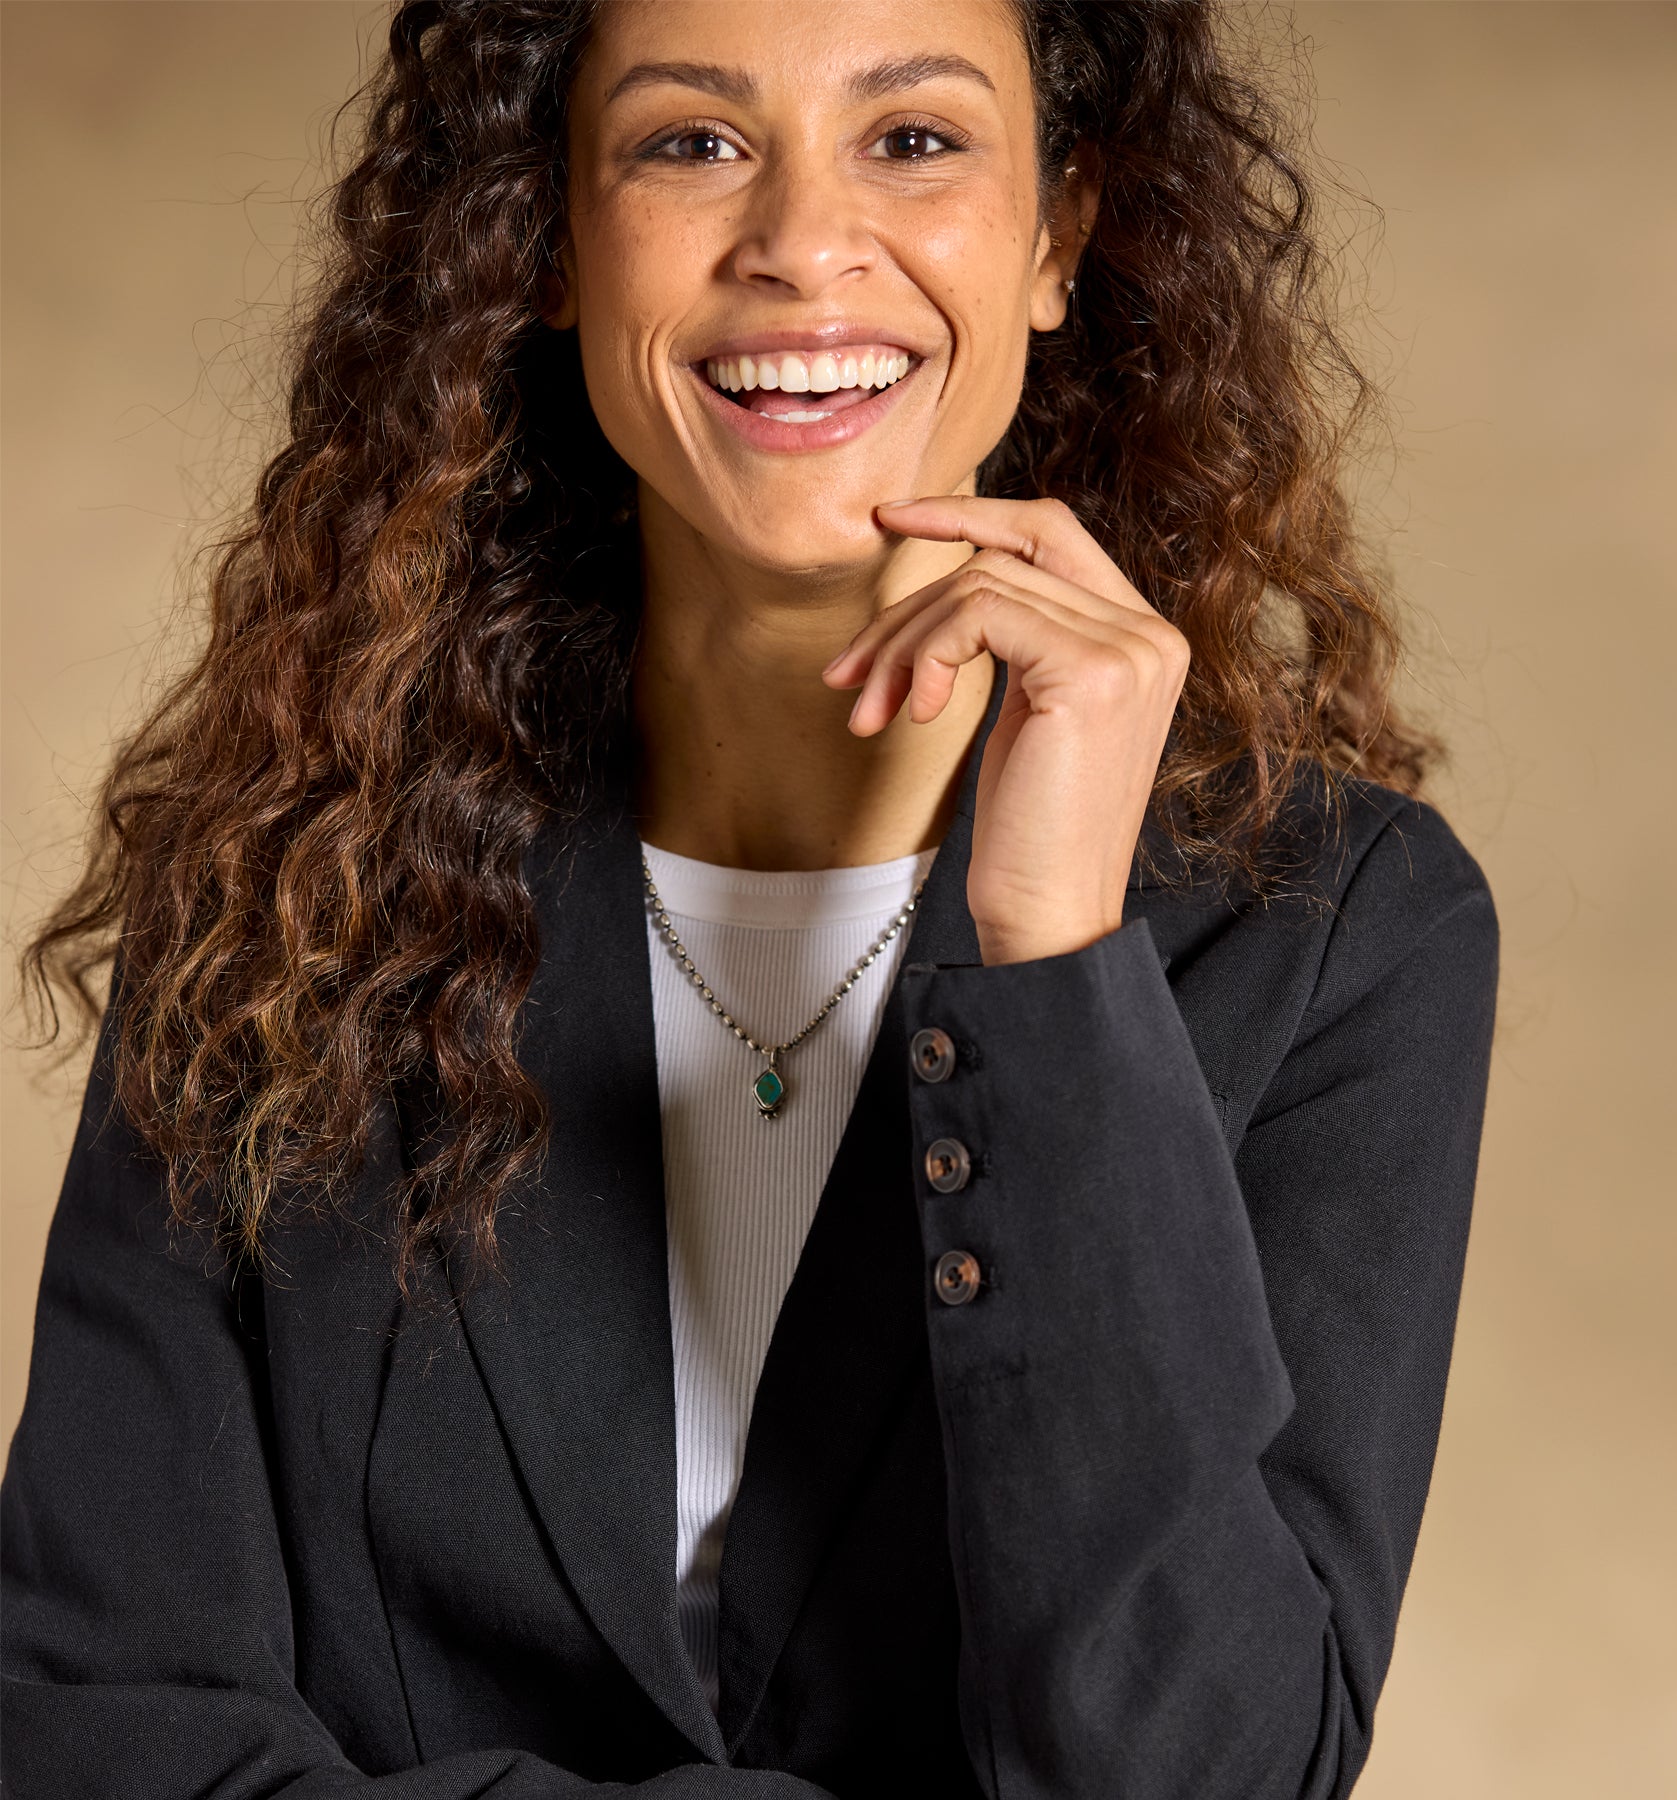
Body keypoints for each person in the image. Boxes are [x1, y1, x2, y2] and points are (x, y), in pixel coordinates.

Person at [2, 1, 1500, 1795]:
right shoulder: (283, 889)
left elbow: (1205, 1770)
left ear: (1059, 235)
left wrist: (1054, 962)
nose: (800, 242)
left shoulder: (1344, 931)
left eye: (914, 140)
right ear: (550, 243)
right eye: (691, 143)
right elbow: (90, 1725)